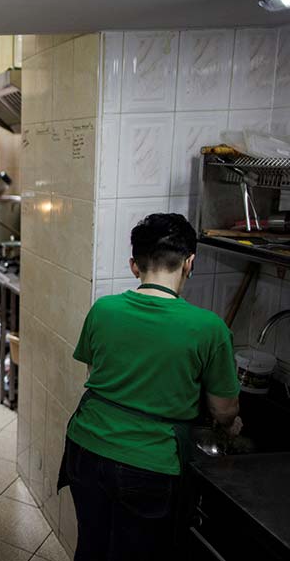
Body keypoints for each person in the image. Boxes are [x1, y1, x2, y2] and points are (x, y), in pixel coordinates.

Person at [57, 213, 242, 561]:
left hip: (86, 450)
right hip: (150, 466)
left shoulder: (103, 310)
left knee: (92, 547)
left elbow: (94, 374)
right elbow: (224, 410)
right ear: (189, 263)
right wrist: (230, 423)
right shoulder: (209, 328)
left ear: (134, 265)